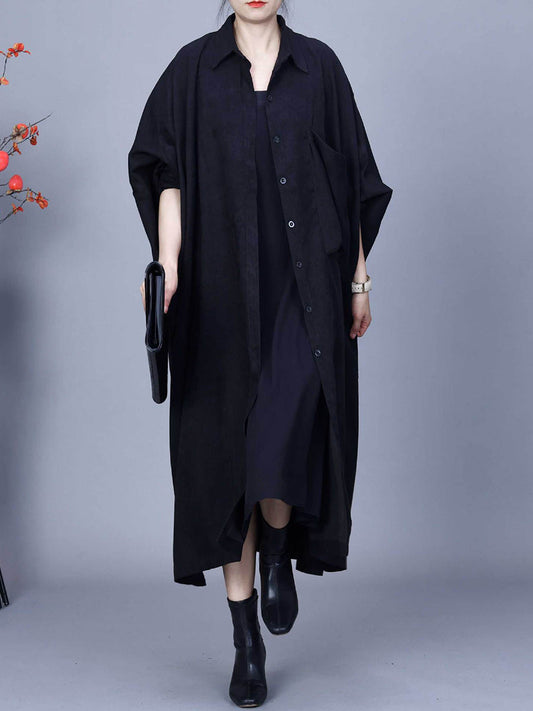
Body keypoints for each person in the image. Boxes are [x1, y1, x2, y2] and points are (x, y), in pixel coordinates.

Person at [128, 0, 393, 706]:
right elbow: (165, 174)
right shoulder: (192, 70)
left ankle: (279, 547)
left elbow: (352, 182)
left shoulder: (320, 69)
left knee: (284, 432)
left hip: (304, 294)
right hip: (218, 297)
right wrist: (168, 263)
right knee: (229, 466)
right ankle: (246, 641)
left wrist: (359, 281)